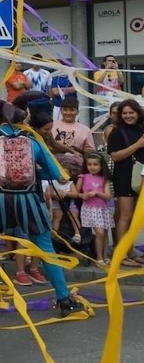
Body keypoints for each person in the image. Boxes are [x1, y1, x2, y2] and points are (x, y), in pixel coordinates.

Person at [0, 97, 83, 317]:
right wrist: (35, 173)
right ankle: (64, 299)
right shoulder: (32, 140)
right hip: (30, 200)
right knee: (45, 249)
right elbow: (55, 172)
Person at [104, 97, 144, 266]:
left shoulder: (141, 129)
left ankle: (130, 251)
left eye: (131, 113)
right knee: (124, 216)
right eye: (125, 113)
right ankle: (121, 254)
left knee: (134, 216)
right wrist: (137, 145)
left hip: (139, 176)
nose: (128, 116)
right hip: (124, 176)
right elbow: (115, 156)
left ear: (138, 113)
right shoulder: (117, 132)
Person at [76, 152, 114, 266]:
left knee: (104, 232)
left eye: (95, 164)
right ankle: (99, 258)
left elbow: (108, 196)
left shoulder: (105, 179)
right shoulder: (83, 177)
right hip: (89, 209)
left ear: (101, 166)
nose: (92, 167)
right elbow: (76, 193)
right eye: (89, 164)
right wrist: (82, 195)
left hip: (102, 209)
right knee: (99, 232)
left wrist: (97, 193)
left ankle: (105, 255)